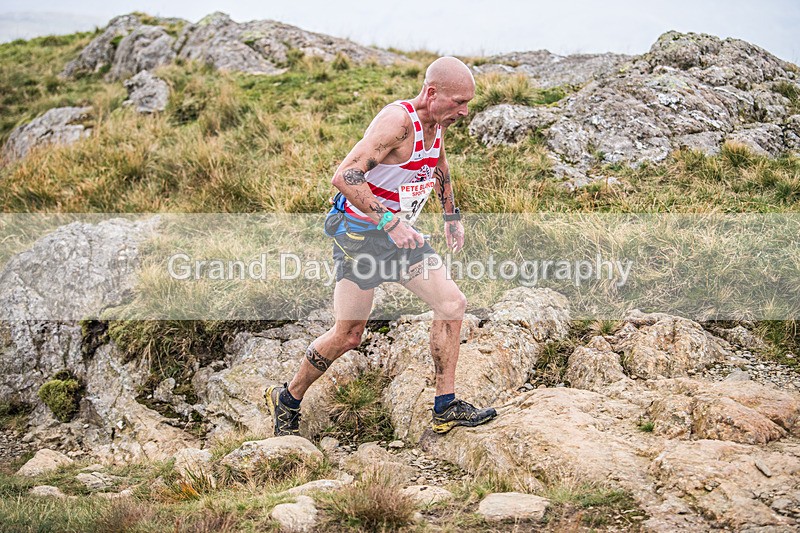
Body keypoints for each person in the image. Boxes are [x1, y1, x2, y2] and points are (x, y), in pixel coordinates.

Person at [265, 56, 497, 437]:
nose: (465, 111)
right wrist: (388, 221)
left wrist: (451, 215)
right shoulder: (397, 123)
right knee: (349, 334)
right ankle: (288, 398)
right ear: (432, 92)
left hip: (401, 237)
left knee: (452, 303)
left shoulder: (436, 123)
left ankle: (446, 406)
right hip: (361, 239)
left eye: (468, 103)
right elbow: (345, 175)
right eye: (459, 102)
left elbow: (438, 164)